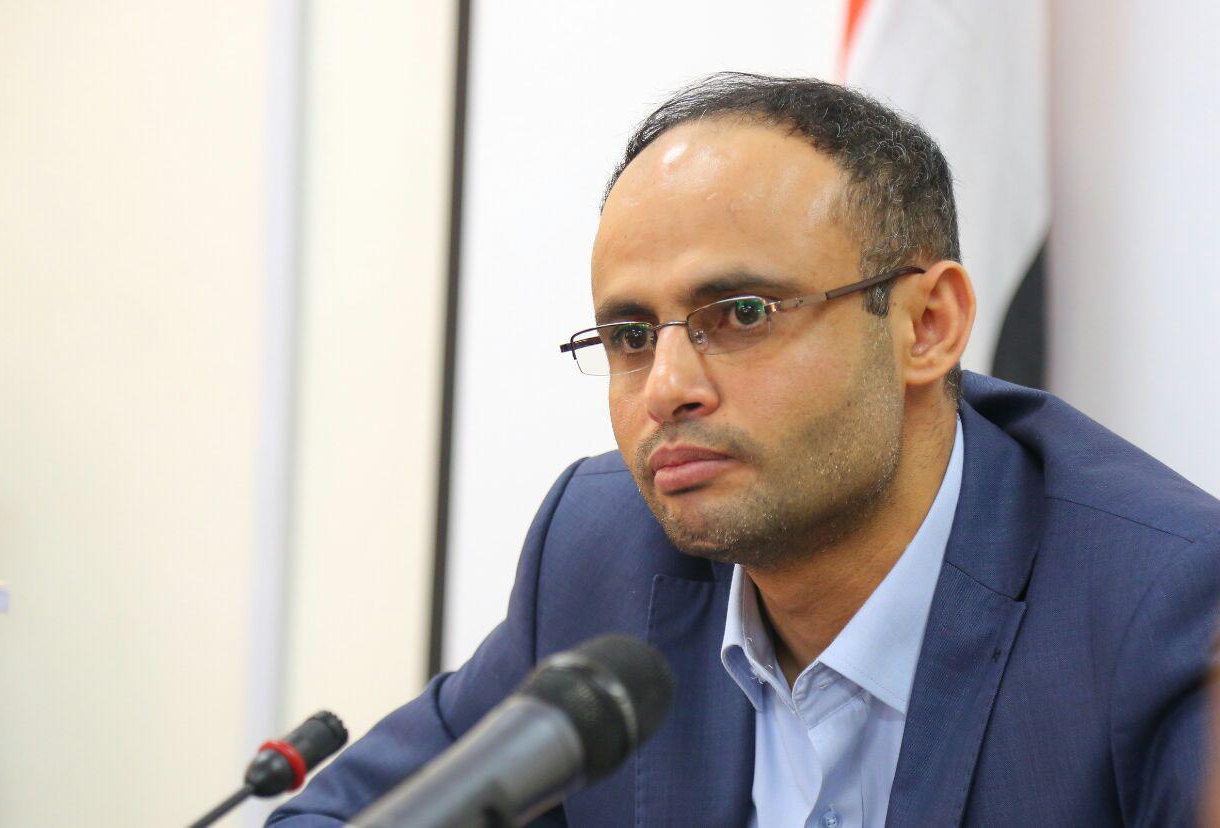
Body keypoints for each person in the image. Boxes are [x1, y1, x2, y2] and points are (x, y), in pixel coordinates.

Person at [269, 74, 1220, 826]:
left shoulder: (1160, 605)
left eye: (743, 314)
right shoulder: (599, 552)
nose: (666, 386)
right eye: (631, 336)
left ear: (927, 326)